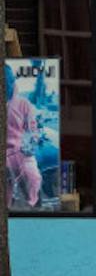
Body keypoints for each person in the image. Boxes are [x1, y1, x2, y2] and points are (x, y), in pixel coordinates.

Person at [5, 63, 42, 209]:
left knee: (34, 177)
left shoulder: (24, 104)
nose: (8, 84)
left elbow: (33, 129)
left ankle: (30, 205)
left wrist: (31, 142)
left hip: (21, 152)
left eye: (9, 80)